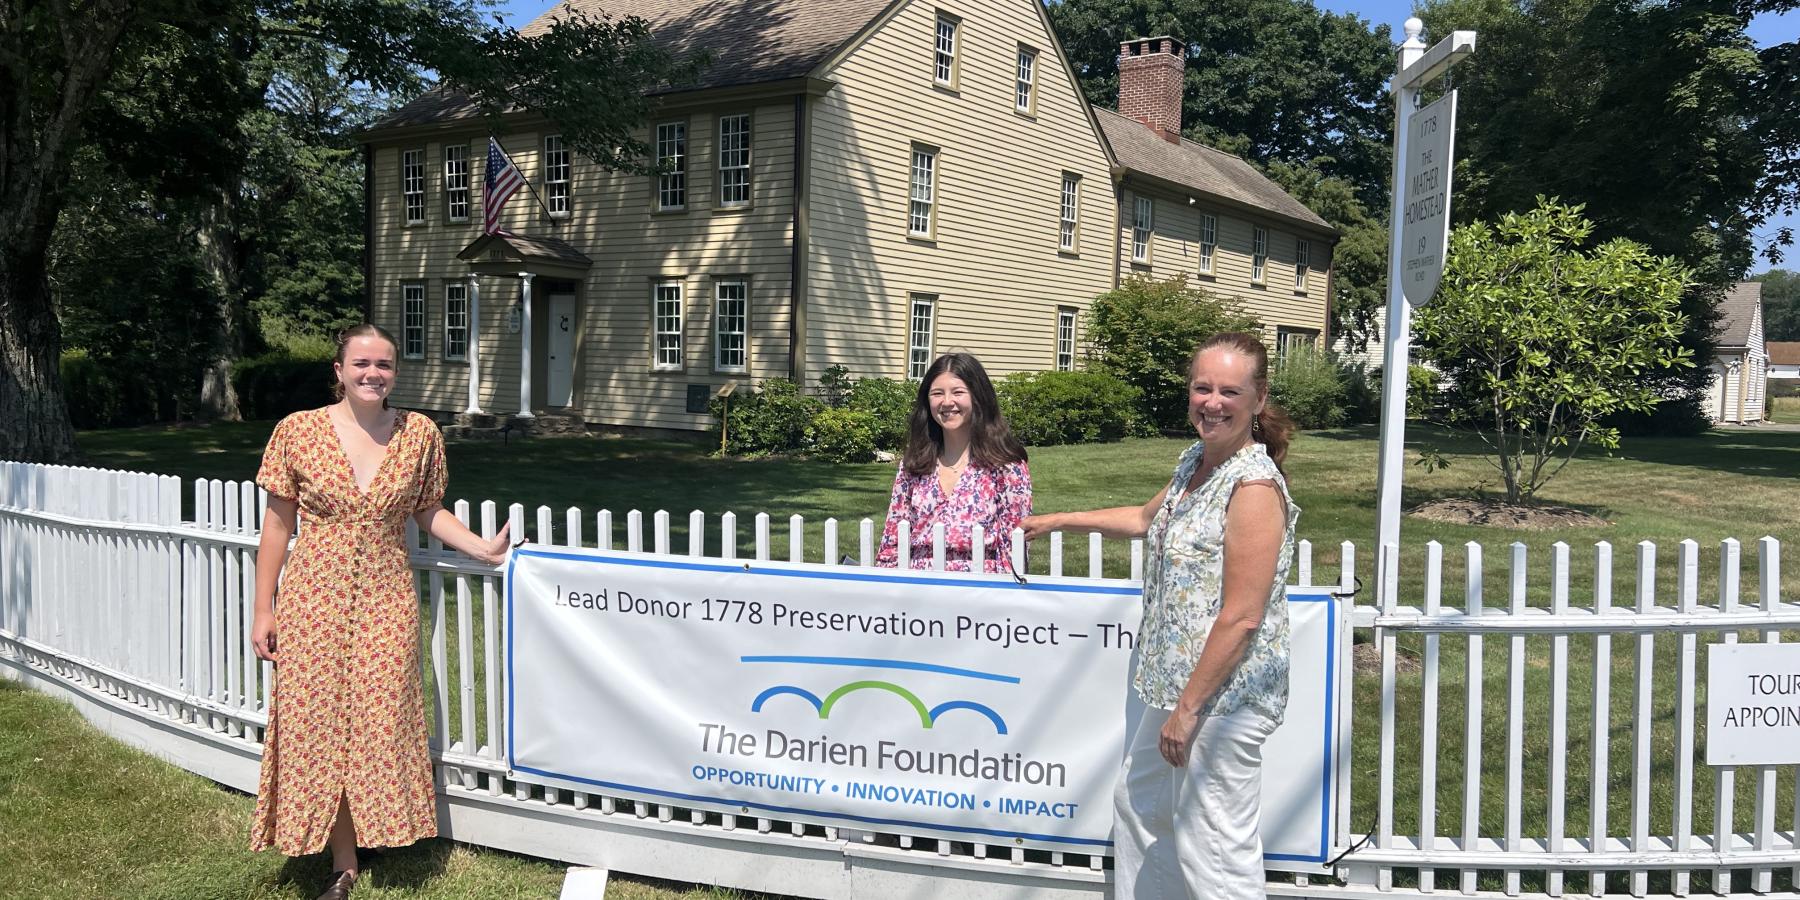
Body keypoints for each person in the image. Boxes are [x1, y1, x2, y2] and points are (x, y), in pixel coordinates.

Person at [1022, 332, 1299, 899]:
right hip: (1173, 687)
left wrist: (1188, 711)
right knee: (1140, 804)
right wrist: (1057, 520)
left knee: (1213, 844)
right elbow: (1147, 518)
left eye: (1229, 390)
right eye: (1202, 387)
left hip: (1223, 698)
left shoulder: (1252, 486)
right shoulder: (1197, 461)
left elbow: (1243, 615)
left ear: (1259, 398)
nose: (1212, 402)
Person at [248, 324, 510, 900]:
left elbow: (428, 510)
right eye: (361, 363)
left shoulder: (420, 435)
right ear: (338, 369)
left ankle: (377, 828)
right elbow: (277, 525)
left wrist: (480, 547)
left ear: (395, 372)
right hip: (313, 599)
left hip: (386, 602)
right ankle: (343, 862)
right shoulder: (298, 431)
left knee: (379, 718)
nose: (373, 374)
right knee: (316, 725)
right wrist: (262, 608)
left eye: (384, 364)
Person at [877, 352, 1031, 573]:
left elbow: (1013, 547)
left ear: (978, 397)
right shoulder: (913, 465)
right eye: (937, 393)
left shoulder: (1007, 467)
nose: (947, 402)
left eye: (958, 392)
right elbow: (893, 539)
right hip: (917, 592)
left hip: (980, 593)